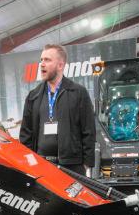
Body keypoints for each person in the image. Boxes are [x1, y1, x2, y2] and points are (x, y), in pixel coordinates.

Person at [19, 44, 95, 175]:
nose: (42, 64)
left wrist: (87, 163)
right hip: (42, 165)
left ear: (60, 65)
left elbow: (88, 130)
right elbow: (26, 134)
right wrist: (30, 163)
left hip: (72, 166)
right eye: (41, 60)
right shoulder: (33, 96)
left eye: (47, 60)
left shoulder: (78, 93)